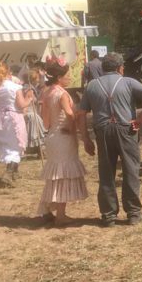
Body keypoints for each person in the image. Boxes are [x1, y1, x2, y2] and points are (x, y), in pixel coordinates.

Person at [77, 53, 142, 227]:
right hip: (126, 130)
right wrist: (140, 119)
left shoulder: (91, 85)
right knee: (130, 170)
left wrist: (85, 139)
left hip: (103, 131)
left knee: (106, 172)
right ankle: (133, 214)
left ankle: (108, 215)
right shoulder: (127, 82)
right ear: (120, 68)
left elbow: (81, 113)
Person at [37, 58, 88, 226]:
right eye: (67, 75)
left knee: (55, 176)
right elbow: (69, 115)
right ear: (59, 77)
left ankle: (46, 209)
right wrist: (78, 118)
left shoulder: (46, 92)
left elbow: (45, 120)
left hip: (52, 136)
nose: (70, 77)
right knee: (63, 175)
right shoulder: (62, 94)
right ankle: (60, 214)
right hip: (64, 138)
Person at [0, 64, 35, 185]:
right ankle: (9, 173)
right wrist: (29, 98)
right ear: (9, 74)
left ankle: (15, 171)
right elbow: (21, 105)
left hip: (0, 117)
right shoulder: (15, 87)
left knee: (7, 144)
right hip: (13, 117)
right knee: (16, 144)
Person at [23, 68, 46, 158]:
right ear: (33, 79)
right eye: (37, 78)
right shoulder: (29, 90)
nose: (38, 80)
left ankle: (40, 152)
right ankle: (41, 152)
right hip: (30, 114)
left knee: (34, 134)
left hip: (32, 112)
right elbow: (27, 102)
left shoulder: (27, 87)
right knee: (37, 134)